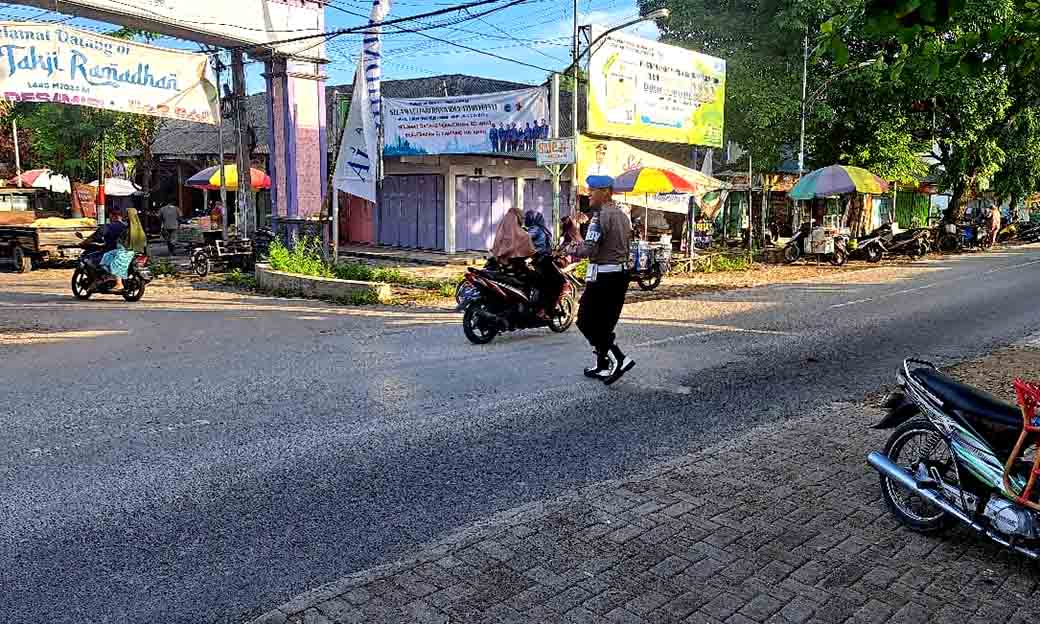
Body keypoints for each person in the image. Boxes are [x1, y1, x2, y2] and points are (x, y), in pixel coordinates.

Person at [568, 175, 635, 385]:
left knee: (585, 320)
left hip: (604, 275)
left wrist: (570, 248)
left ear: (605, 192)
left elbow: (589, 249)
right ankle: (602, 364)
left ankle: (618, 358)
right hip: (620, 275)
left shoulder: (599, 216)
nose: (588, 194)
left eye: (592, 190)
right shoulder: (623, 216)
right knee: (604, 322)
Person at [99, 207, 147, 292]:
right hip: (133, 251)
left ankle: (119, 284)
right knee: (107, 256)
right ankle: (110, 277)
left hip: (126, 251)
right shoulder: (136, 228)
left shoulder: (130, 229)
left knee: (115, 262)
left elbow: (124, 242)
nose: (124, 216)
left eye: (126, 215)